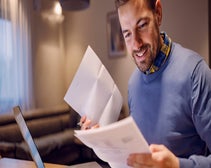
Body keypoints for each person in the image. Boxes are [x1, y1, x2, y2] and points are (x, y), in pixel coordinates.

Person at [81, 0, 211, 167]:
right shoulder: (133, 83)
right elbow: (135, 152)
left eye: (141, 25)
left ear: (158, 13)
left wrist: (177, 165)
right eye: (127, 34)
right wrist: (100, 139)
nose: (136, 44)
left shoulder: (196, 75)